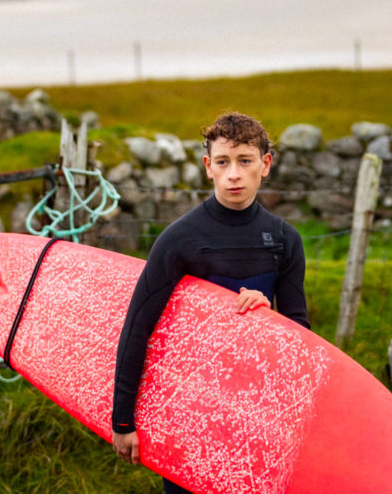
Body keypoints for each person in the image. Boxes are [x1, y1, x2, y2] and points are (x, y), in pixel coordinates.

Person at [112, 112, 310, 494]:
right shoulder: (179, 239)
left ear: (265, 165)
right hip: (189, 407)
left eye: (245, 161)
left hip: (254, 410)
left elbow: (299, 335)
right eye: (223, 162)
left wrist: (268, 317)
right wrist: (124, 421)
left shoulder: (285, 240)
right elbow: (138, 327)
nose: (234, 173)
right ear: (208, 167)